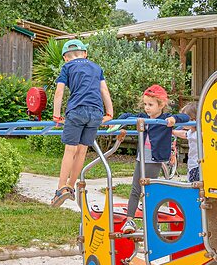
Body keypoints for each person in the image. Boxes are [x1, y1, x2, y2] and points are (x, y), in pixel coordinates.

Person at [50, 39, 114, 207]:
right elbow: (104, 91)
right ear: (85, 54)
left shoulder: (67, 67)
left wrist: (56, 116)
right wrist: (110, 113)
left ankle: (60, 189)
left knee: (70, 149)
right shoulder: (96, 67)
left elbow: (59, 92)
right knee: (82, 151)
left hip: (77, 110)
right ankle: (71, 186)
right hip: (96, 113)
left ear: (65, 58)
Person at [118, 85, 189, 218]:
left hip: (154, 159)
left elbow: (185, 117)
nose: (147, 107)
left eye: (150, 104)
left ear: (161, 105)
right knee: (135, 189)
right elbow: (127, 116)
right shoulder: (143, 117)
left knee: (148, 190)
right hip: (142, 158)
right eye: (145, 104)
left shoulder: (165, 118)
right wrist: (117, 122)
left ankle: (151, 220)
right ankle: (129, 219)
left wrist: (174, 120)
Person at [176, 101, 201, 184]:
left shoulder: (200, 133)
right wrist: (172, 131)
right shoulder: (191, 132)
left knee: (195, 187)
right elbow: (184, 134)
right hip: (192, 165)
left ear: (194, 119)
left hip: (199, 166)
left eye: (185, 119)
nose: (182, 121)